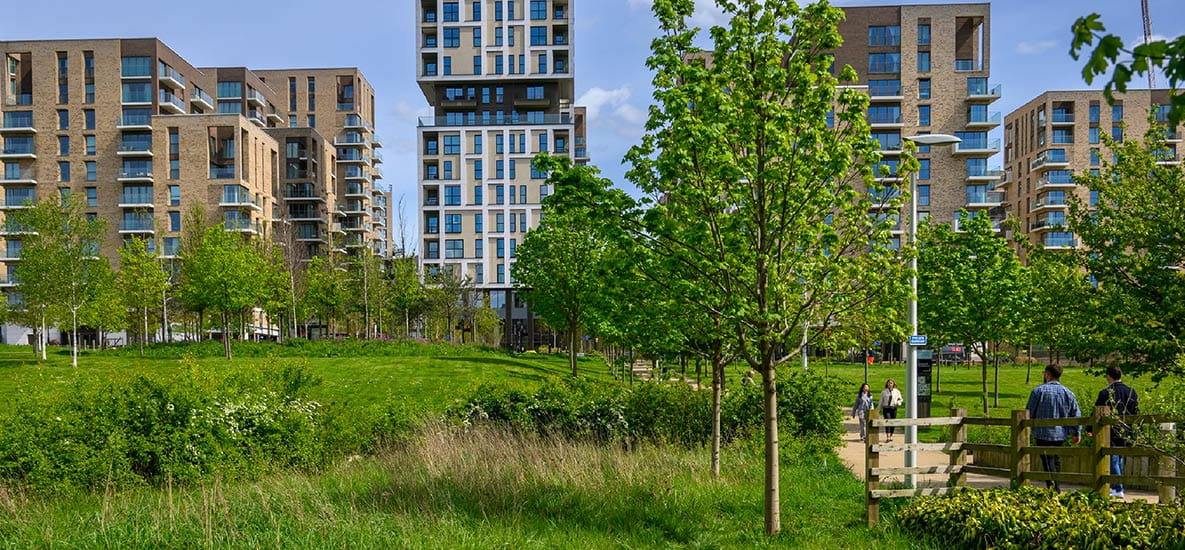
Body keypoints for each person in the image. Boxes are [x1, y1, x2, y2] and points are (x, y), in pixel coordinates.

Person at [1026, 364, 1082, 491]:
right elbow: (1075, 414)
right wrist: (1077, 433)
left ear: (1047, 374)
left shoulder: (1038, 391)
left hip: (1042, 433)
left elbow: (1029, 412)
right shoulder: (1068, 393)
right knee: (1056, 459)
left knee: (1047, 460)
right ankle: (1055, 486)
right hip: (1060, 433)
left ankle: (1053, 488)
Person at [1096, 365, 1138, 498]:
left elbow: (1098, 413)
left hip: (1111, 430)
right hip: (1126, 429)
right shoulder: (1131, 392)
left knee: (1113, 459)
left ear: (1109, 376)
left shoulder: (1105, 393)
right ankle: (1116, 486)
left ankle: (1117, 487)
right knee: (1119, 458)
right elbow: (1135, 413)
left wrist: (1090, 429)